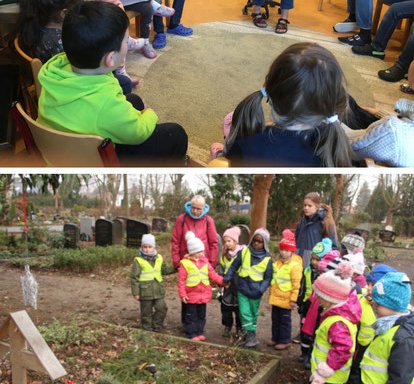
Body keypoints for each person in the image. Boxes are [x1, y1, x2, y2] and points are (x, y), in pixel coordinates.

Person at [37, 1, 188, 166]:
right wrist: (150, 113)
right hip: (96, 162)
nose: (128, 44)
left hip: (60, 150)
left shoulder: (54, 71)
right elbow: (139, 133)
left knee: (133, 100)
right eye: (126, 41)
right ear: (110, 59)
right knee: (176, 133)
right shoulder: (106, 105)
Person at [222, 43, 354, 167]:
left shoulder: (246, 143)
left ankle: (225, 139)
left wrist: (227, 145)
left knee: (218, 153)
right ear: (334, 100)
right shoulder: (335, 146)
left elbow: (232, 163)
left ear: (268, 88)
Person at [310, 262, 362, 384]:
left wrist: (326, 370)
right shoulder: (339, 314)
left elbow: (343, 349)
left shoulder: (337, 323)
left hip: (329, 378)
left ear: (330, 298)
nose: (317, 299)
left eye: (319, 296)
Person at [171, 195, 219, 326]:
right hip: (186, 262)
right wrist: (176, 261)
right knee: (186, 292)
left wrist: (212, 262)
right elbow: (175, 241)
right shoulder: (182, 219)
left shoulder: (208, 221)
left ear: (204, 208)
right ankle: (186, 323)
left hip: (203, 263)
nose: (196, 211)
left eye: (199, 208)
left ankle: (198, 323)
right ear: (189, 206)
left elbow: (214, 243)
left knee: (200, 292)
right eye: (193, 208)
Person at [359, 272, 413, 384]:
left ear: (393, 305)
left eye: (378, 304)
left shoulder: (403, 338)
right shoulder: (387, 324)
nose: (374, 306)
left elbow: (400, 379)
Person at [347, 264, 397, 384]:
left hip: (379, 352)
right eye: (368, 283)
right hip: (359, 347)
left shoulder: (395, 308)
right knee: (355, 373)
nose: (369, 288)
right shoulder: (361, 300)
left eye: (373, 285)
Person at [223, 228, 273, 348]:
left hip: (256, 291)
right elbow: (234, 266)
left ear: (265, 243)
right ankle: (250, 336)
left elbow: (268, 278)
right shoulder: (245, 252)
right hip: (243, 288)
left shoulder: (267, 259)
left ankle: (250, 334)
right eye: (255, 240)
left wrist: (262, 289)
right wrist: (227, 277)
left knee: (253, 314)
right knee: (244, 313)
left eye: (260, 241)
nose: (256, 243)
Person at [299, 249, 341, 370]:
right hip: (312, 313)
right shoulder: (318, 282)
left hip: (320, 316)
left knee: (317, 337)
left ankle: (312, 358)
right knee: (308, 335)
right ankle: (307, 356)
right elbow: (312, 298)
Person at [178, 231, 224, 341]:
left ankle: (199, 331)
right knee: (191, 315)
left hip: (203, 294)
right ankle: (192, 333)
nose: (202, 253)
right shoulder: (185, 263)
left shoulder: (205, 262)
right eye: (199, 251)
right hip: (191, 295)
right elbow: (181, 280)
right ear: (193, 252)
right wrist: (182, 294)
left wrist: (223, 281)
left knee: (201, 315)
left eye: (202, 251)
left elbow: (213, 274)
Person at [350, 97, 414, 167]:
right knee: (351, 104)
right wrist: (377, 112)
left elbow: (351, 149)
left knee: (348, 105)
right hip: (383, 133)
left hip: (360, 150)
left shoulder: (392, 132)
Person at [267, 229, 303, 350]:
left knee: (285, 321)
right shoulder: (277, 263)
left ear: (292, 251)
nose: (284, 253)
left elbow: (296, 284)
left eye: (287, 250)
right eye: (282, 250)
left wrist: (293, 299)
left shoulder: (295, 265)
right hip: (276, 297)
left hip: (286, 299)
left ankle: (285, 339)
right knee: (275, 319)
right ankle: (275, 337)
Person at [130, 233, 167, 331]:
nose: (147, 249)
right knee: (146, 312)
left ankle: (157, 325)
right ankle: (147, 329)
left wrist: (176, 268)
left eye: (150, 247)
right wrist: (136, 292)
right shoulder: (138, 260)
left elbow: (164, 270)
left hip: (158, 290)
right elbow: (134, 277)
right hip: (145, 292)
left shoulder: (159, 258)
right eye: (145, 247)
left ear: (154, 247)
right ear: (141, 247)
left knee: (162, 308)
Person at [295, 192, 338, 268]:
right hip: (297, 264)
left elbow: (333, 247)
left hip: (314, 265)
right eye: (305, 205)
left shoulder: (325, 222)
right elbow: (296, 241)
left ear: (317, 207)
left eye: (309, 205)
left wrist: (321, 263)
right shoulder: (301, 222)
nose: (306, 208)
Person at [216, 226, 245, 338]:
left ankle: (239, 328)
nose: (227, 243)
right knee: (226, 308)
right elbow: (221, 269)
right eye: (225, 241)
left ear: (235, 241)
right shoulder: (224, 255)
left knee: (239, 309)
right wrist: (220, 283)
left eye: (229, 241)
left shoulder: (242, 253)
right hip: (227, 285)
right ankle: (227, 326)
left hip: (239, 284)